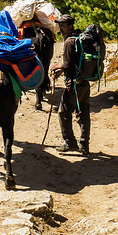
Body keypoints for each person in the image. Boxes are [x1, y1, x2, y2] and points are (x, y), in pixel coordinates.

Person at [50, 14, 90, 156]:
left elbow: (68, 65)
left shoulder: (69, 42)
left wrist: (59, 68)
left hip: (73, 83)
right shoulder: (80, 37)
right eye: (59, 25)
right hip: (84, 81)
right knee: (83, 112)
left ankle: (69, 142)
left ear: (70, 25)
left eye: (63, 25)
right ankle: (84, 145)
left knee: (63, 112)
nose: (60, 28)